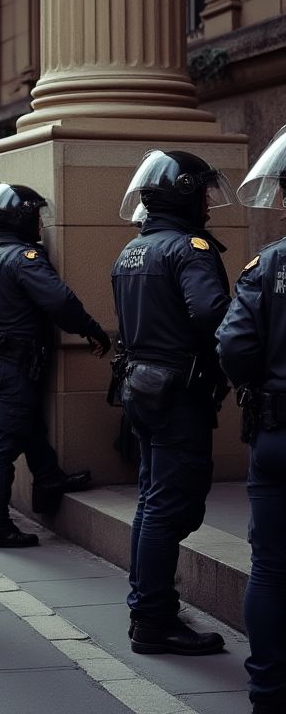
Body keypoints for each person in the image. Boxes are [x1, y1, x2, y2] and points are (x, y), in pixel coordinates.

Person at [111, 150, 232, 657]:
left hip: (142, 388)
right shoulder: (189, 248)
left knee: (152, 500)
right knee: (169, 504)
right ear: (183, 193)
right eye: (203, 191)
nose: (208, 202)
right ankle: (154, 618)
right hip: (179, 393)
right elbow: (211, 315)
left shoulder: (133, 249)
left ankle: (149, 605)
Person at [0, 183, 109, 549]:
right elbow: (60, 301)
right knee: (2, 447)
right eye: (35, 216)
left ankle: (47, 477)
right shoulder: (24, 258)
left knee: (27, 426)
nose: (40, 224)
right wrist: (92, 329)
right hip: (13, 365)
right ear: (21, 218)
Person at [217, 128, 286, 711]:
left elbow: (234, 345)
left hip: (275, 430)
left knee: (269, 566)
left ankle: (268, 692)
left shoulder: (267, 264)